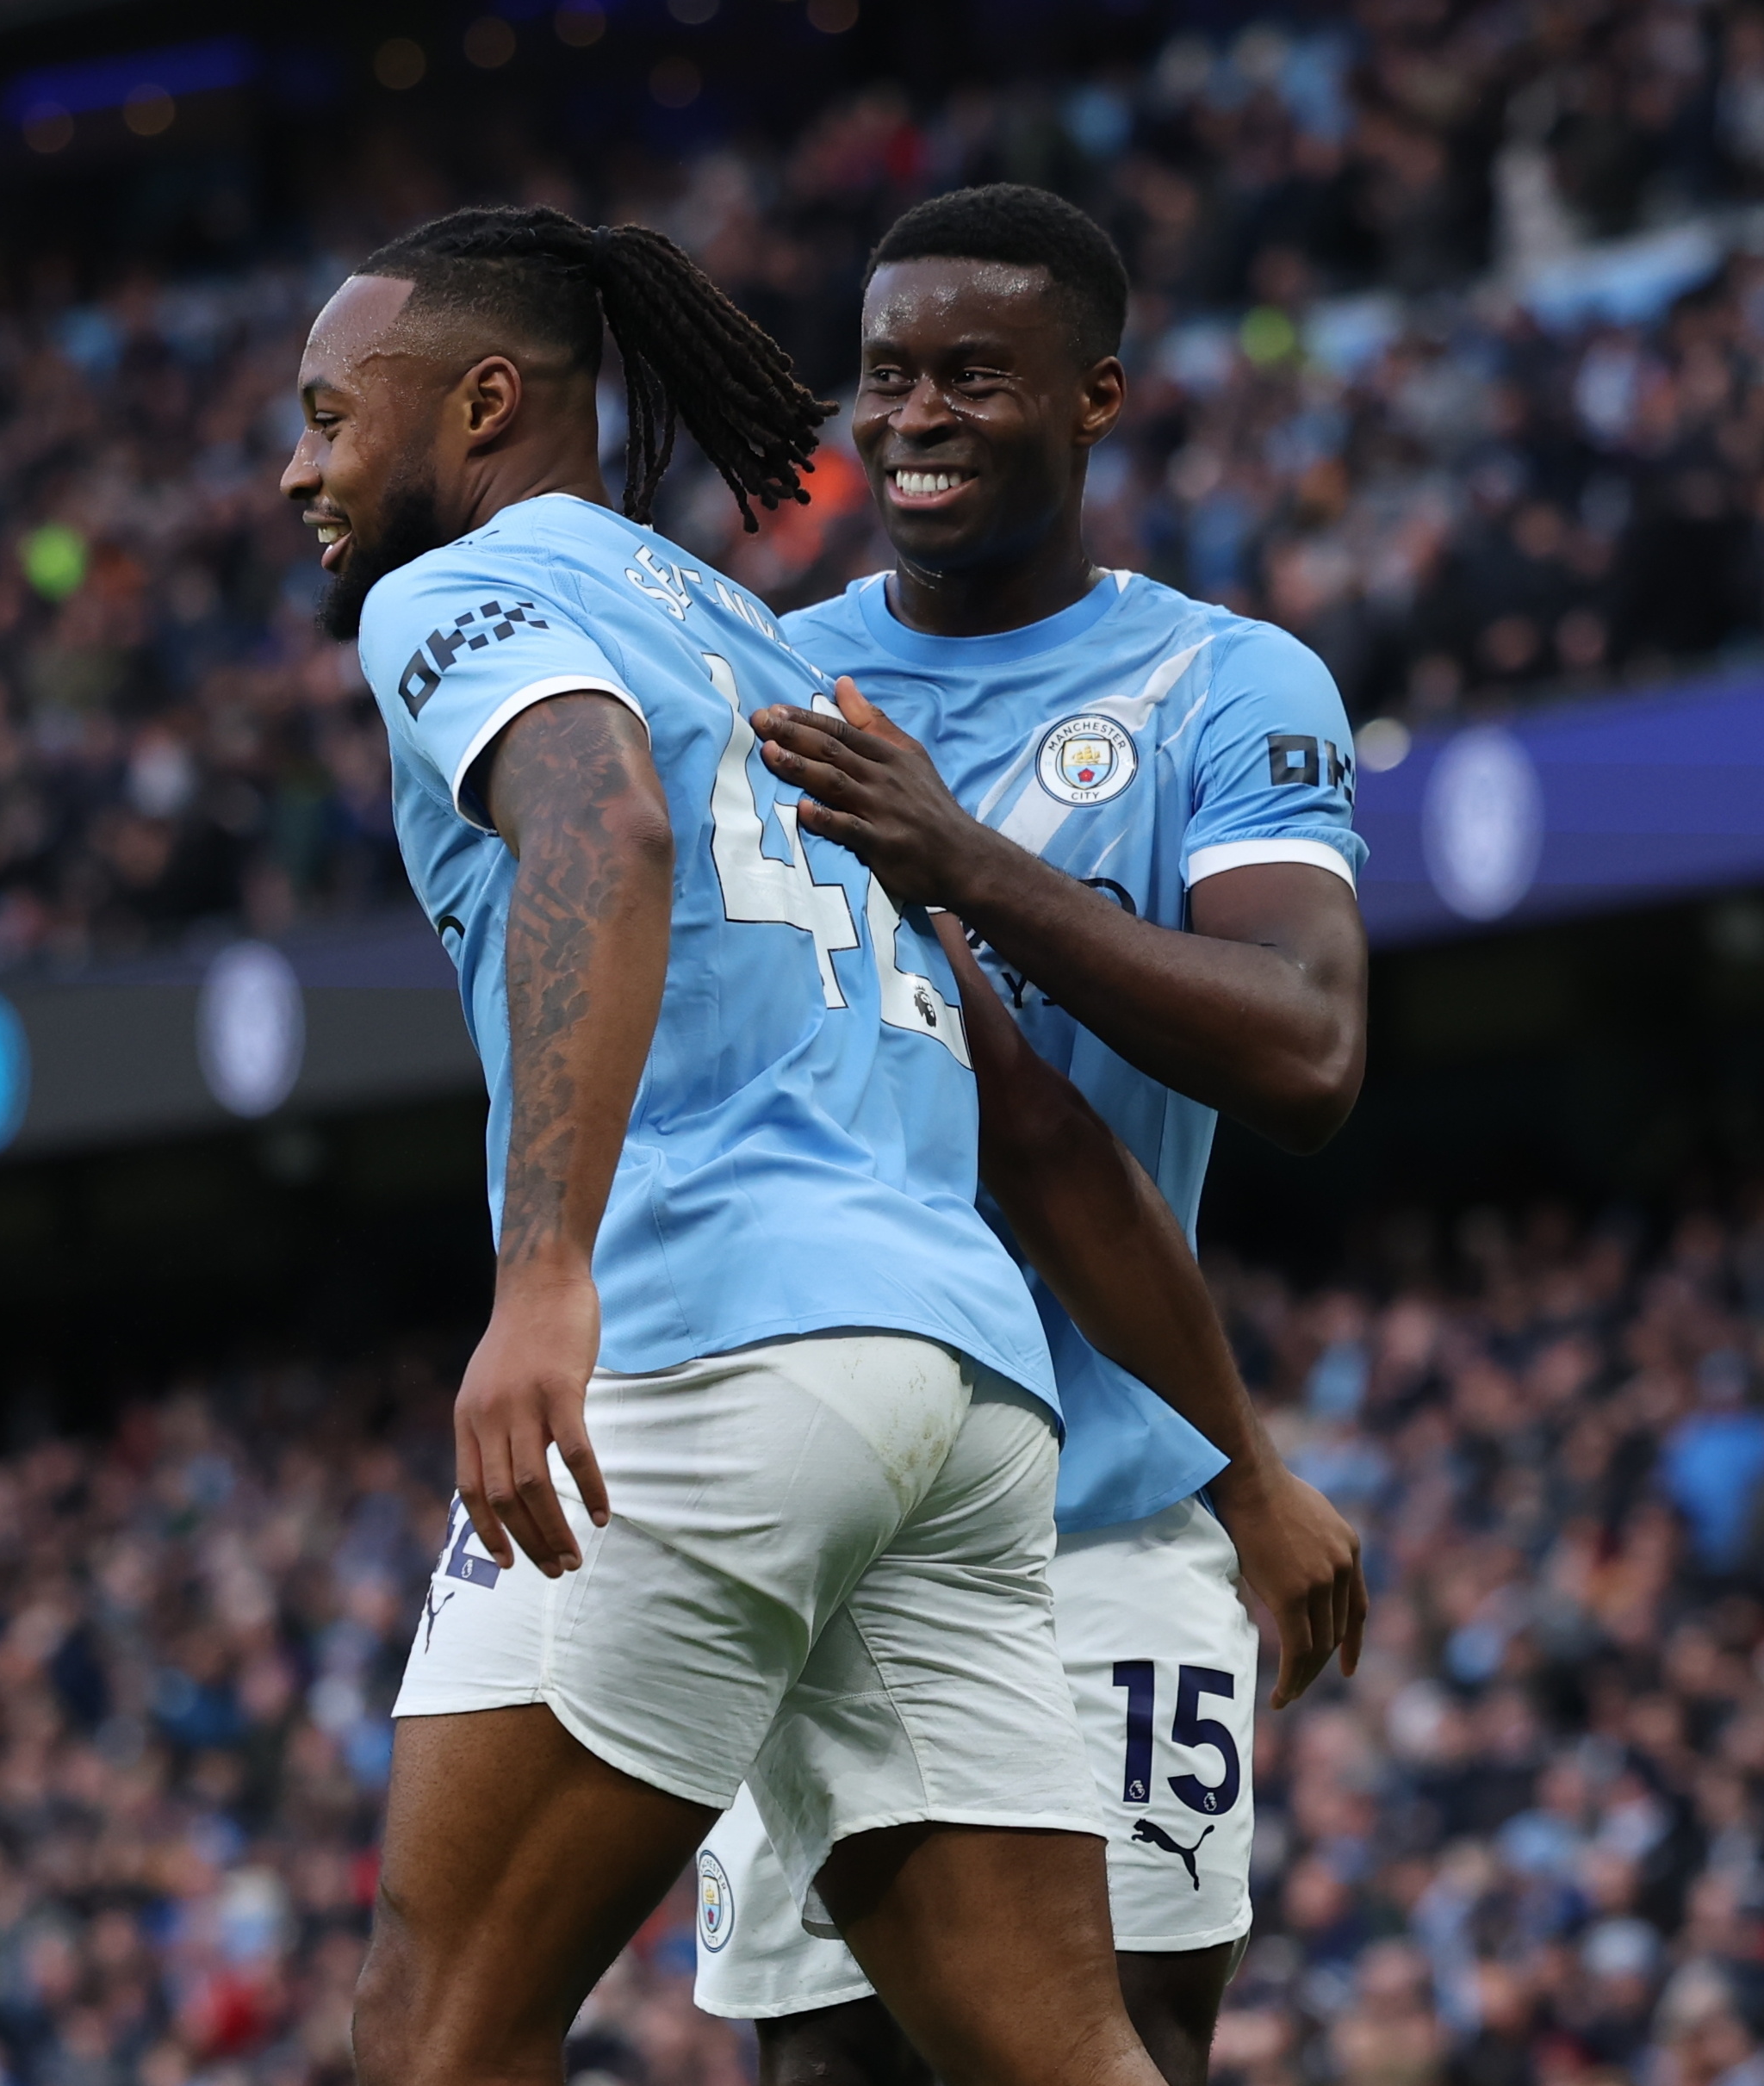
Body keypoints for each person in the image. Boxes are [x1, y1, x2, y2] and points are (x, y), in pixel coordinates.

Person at [287, 202, 1240, 2086]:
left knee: (433, 2032)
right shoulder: (760, 635)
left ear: (483, 404)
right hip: (955, 1387)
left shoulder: (454, 596)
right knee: (1068, 2055)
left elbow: (602, 830)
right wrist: (1253, 1459)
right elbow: (1022, 1105)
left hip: (707, 1339)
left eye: (327, 412)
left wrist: (544, 1269)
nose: (299, 464)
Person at [698, 183, 1375, 2086]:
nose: (910, 415)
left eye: (973, 377)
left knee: (1119, 2047)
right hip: (826, 1520)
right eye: (887, 374)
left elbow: (1309, 1051)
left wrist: (968, 862)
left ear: (1097, 399)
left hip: (1107, 1518)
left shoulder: (1223, 687)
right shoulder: (763, 678)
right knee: (826, 2060)